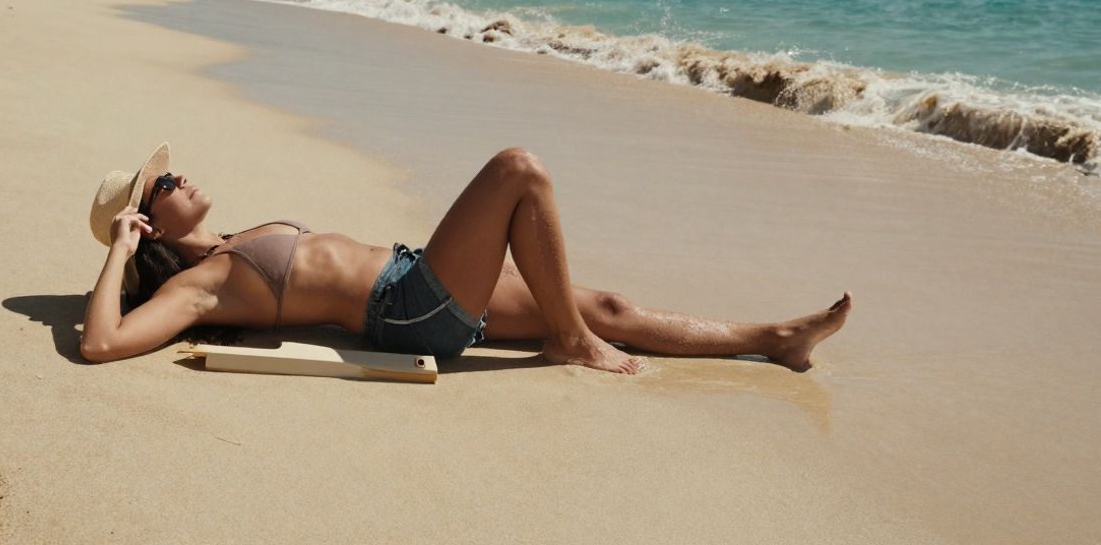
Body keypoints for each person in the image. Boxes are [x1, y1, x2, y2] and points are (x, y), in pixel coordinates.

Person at [84, 144, 853, 372]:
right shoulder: (203, 286)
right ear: (147, 225)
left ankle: (774, 340)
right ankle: (573, 343)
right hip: (408, 306)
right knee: (519, 171)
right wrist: (118, 253)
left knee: (612, 305)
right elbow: (101, 342)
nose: (183, 175)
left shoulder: (229, 245)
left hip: (417, 283)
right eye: (165, 183)